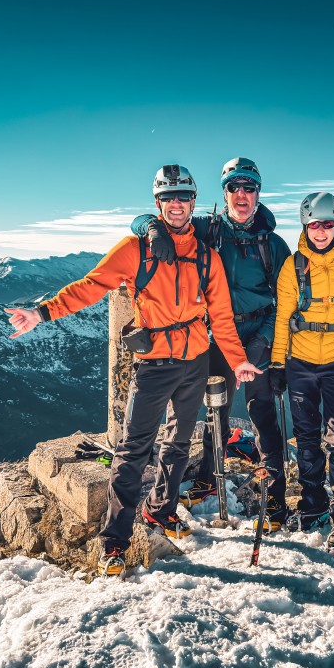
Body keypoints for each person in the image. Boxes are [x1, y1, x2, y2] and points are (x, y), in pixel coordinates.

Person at [4, 164, 260, 577]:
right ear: (157, 203)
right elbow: (91, 286)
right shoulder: (134, 249)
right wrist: (43, 312)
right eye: (168, 198)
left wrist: (237, 360)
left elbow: (222, 317)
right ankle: (115, 541)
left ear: (193, 201)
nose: (176, 204)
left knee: (178, 443)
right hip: (154, 364)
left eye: (183, 197)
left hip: (195, 360)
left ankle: (160, 509)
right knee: (133, 451)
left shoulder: (206, 255)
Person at [131, 158, 293, 529]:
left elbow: (285, 301)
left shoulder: (273, 244)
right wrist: (152, 229)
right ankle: (207, 477)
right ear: (225, 192)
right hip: (219, 334)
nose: (241, 194)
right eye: (234, 187)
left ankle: (276, 497)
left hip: (259, 333)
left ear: (258, 194)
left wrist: (265, 340)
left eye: (249, 188)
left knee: (262, 413)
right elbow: (141, 221)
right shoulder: (209, 229)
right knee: (215, 411)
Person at [269, 192, 334, 555]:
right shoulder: (293, 266)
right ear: (305, 226)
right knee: (306, 436)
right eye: (315, 224)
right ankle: (312, 505)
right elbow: (283, 317)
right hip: (300, 360)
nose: (321, 231)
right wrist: (277, 365)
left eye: (328, 224)